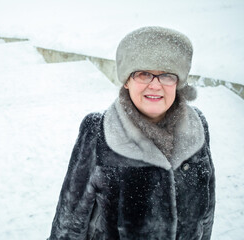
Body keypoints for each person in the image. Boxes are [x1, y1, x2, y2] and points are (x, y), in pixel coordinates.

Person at [48, 26, 215, 240]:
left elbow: (207, 211)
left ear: (178, 82)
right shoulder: (98, 130)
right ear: (127, 80)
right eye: (144, 74)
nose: (155, 85)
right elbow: (70, 222)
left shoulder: (197, 127)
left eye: (166, 75)